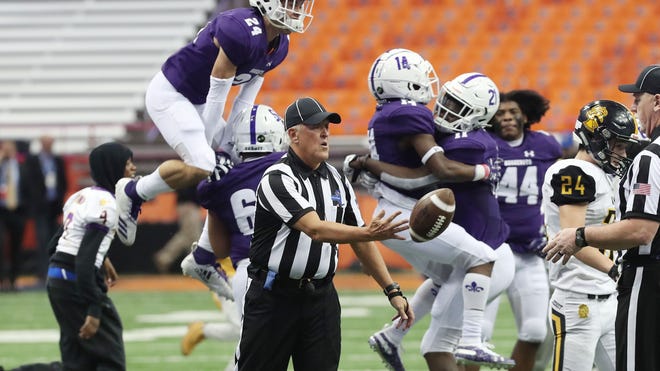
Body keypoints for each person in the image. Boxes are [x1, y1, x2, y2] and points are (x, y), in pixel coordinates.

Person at [112, 1, 314, 297]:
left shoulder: (279, 44)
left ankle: (203, 258)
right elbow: (218, 92)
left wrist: (231, 147)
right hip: (172, 94)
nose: (296, 10)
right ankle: (134, 192)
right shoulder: (242, 29)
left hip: (200, 101)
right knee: (204, 162)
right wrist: (211, 148)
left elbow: (243, 102)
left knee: (239, 159)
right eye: (290, 3)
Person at [345, 62, 514, 370]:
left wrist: (371, 168)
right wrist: (372, 169)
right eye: (447, 101)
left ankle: (394, 336)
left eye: (457, 105)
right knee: (476, 262)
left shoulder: (468, 142)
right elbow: (432, 173)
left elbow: (430, 173)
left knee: (444, 279)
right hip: (403, 214)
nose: (445, 109)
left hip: (403, 212)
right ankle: (471, 341)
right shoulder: (425, 124)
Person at [235, 96, 413, 371]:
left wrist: (392, 289)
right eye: (316, 127)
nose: (325, 133)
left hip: (321, 299)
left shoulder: (337, 179)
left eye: (327, 127)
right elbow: (314, 229)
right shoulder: (277, 178)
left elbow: (358, 238)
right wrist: (367, 233)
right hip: (274, 298)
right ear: (293, 134)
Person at [543, 65, 660, 371]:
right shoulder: (572, 172)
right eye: (618, 144)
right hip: (578, 298)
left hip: (609, 297)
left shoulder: (605, 174)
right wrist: (614, 269)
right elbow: (573, 237)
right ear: (596, 139)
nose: (622, 152)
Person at [181, 104, 288, 370]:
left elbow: (220, 248)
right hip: (281, 268)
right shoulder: (287, 167)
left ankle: (198, 260)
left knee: (253, 347)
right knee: (267, 348)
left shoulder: (219, 183)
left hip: (244, 270)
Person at [483, 90, 562, 371]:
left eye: (512, 112)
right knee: (478, 336)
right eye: (500, 113)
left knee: (535, 332)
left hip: (530, 252)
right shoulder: (483, 145)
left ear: (526, 115)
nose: (506, 117)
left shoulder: (546, 146)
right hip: (490, 252)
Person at [46, 142, 135, 371]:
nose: (133, 168)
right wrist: (95, 309)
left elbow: (54, 247)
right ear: (114, 167)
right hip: (75, 280)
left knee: (77, 364)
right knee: (111, 360)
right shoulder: (107, 203)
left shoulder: (80, 196)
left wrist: (102, 258)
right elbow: (83, 261)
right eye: (128, 163)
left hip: (57, 280)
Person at [25, 136, 68, 284]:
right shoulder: (33, 160)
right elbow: (30, 183)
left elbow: (63, 182)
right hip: (40, 207)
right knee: (42, 239)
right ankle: (42, 273)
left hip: (54, 207)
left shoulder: (57, 160)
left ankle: (53, 270)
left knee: (54, 240)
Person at [0, 140, 29, 292]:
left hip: (18, 210)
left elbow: (28, 187)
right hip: (1, 211)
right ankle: (1, 279)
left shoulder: (21, 166)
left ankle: (13, 279)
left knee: (16, 246)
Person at [153, 186, 203, 273]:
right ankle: (164, 257)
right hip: (188, 205)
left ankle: (165, 258)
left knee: (187, 235)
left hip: (187, 205)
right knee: (192, 235)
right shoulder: (191, 174)